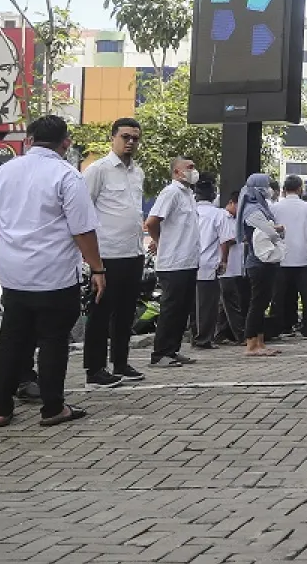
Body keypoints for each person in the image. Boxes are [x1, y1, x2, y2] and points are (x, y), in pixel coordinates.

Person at [0, 115, 105, 428]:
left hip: (14, 276)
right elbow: (83, 230)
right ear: (65, 142)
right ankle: (53, 408)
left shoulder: (4, 172)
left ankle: (0, 410)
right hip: (53, 275)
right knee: (53, 340)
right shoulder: (67, 175)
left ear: (28, 139)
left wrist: (5, 253)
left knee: (12, 340)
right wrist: (98, 268)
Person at [80, 117, 147, 387]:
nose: (130, 142)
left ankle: (120, 363)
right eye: (125, 137)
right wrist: (89, 258)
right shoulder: (98, 170)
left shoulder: (138, 172)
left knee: (126, 312)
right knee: (100, 313)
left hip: (133, 252)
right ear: (113, 138)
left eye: (135, 138)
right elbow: (83, 211)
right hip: (106, 254)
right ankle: (94, 371)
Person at [146, 157, 202, 368]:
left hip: (188, 261)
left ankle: (172, 350)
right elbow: (152, 222)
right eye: (189, 167)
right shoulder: (171, 193)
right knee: (171, 309)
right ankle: (160, 354)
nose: (193, 170)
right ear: (177, 172)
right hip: (173, 262)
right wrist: (161, 241)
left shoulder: (188, 195)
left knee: (182, 309)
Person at [237, 173, 285, 357]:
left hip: (264, 261)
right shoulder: (253, 210)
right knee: (257, 302)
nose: (269, 189)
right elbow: (268, 231)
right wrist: (278, 230)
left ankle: (260, 341)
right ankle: (251, 344)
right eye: (266, 185)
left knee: (262, 301)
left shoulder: (260, 207)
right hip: (258, 262)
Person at [272, 176, 307, 339]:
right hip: (302, 256)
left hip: (281, 257)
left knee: (280, 295)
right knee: (306, 296)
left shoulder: (275, 208)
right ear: (300, 189)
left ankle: (281, 327)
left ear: (284, 189)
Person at [191, 176, 223, 350]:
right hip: (209, 264)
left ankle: (195, 336)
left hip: (188, 263)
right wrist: (223, 260)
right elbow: (226, 239)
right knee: (207, 305)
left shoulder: (190, 211)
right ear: (213, 194)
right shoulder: (218, 214)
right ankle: (204, 339)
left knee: (192, 305)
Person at [216, 193, 247, 345]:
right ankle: (240, 335)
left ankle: (220, 333)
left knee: (225, 303)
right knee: (231, 302)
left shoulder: (236, 219)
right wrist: (241, 238)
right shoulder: (223, 217)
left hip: (235, 266)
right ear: (232, 203)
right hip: (226, 267)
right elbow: (226, 241)